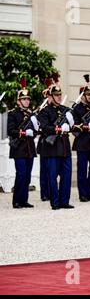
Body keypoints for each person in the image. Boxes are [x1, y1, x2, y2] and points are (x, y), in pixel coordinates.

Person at [37, 82, 74, 210]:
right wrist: (57, 129)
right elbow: (45, 128)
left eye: (59, 94)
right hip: (52, 149)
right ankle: (55, 202)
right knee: (52, 177)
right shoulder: (45, 111)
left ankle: (64, 201)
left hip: (64, 147)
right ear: (50, 97)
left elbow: (73, 126)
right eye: (55, 95)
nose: (58, 97)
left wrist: (71, 123)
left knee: (66, 176)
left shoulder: (65, 110)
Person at [7, 78, 38, 209]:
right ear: (18, 101)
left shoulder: (31, 114)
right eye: (24, 99)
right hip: (18, 148)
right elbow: (10, 130)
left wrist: (34, 129)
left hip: (29, 148)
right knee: (21, 174)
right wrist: (24, 133)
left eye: (28, 99)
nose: (27, 101)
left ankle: (24, 199)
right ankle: (16, 201)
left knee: (28, 175)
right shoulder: (13, 114)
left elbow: (35, 131)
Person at [72, 74, 90, 202]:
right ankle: (82, 194)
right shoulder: (76, 109)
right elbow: (74, 128)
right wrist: (85, 126)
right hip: (82, 143)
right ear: (82, 96)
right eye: (88, 95)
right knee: (82, 170)